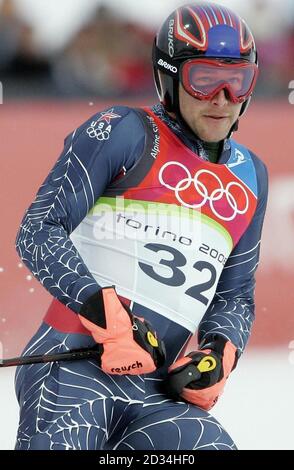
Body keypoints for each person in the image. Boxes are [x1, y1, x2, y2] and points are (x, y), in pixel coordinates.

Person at [15, 2, 268, 451]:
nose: (224, 98)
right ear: (169, 79)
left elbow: (235, 295)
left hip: (155, 392)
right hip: (73, 367)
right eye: (205, 79)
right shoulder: (127, 132)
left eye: (239, 80)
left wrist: (219, 353)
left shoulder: (251, 176)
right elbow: (38, 230)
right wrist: (106, 314)